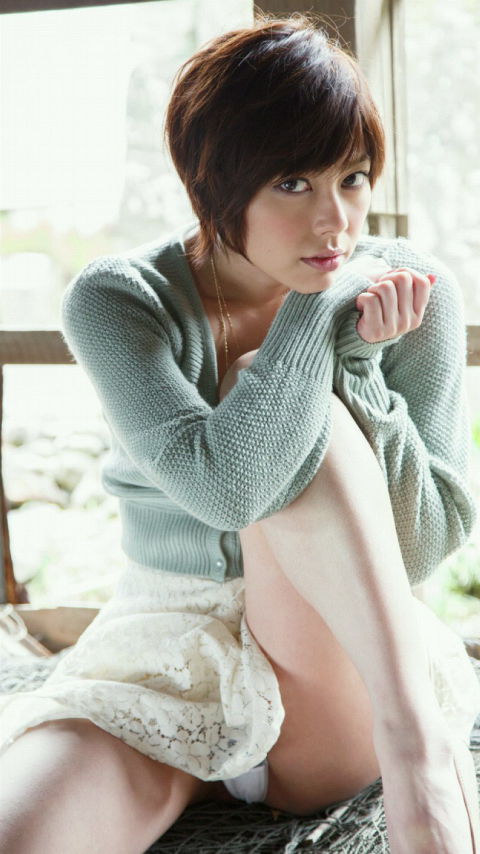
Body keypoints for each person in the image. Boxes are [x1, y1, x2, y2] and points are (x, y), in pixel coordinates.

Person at [0, 12, 479, 854]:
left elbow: (423, 545)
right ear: (210, 184)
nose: (336, 222)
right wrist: (315, 317)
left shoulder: (411, 291)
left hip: (335, 659)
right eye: (293, 182)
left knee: (303, 411)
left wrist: (361, 375)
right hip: (157, 657)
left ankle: (420, 751)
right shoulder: (119, 300)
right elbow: (223, 489)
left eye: (354, 178)